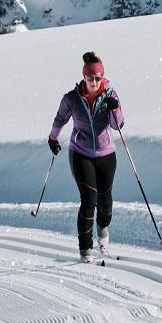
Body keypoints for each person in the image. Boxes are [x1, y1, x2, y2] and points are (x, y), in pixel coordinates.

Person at [46, 51, 124, 262]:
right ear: (84, 77)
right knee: (89, 200)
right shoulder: (72, 98)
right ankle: (85, 249)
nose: (94, 82)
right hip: (80, 153)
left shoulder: (110, 95)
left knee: (105, 202)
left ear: (102, 77)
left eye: (98, 78)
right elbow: (60, 119)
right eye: (90, 78)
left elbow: (118, 126)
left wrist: (114, 109)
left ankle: (103, 227)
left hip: (106, 153)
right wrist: (53, 139)